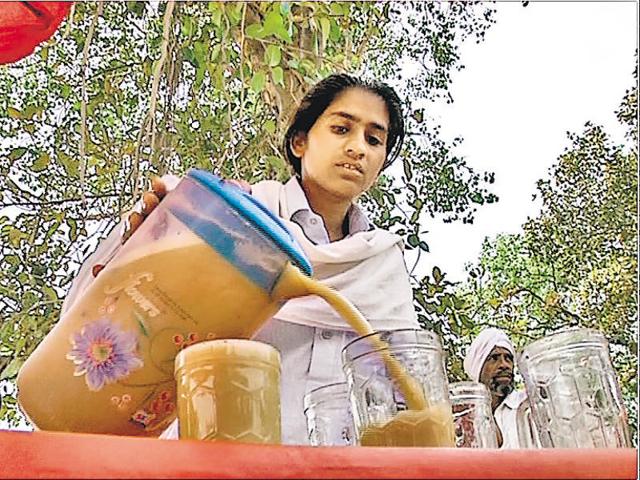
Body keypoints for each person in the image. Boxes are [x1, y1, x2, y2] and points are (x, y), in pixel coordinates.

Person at [62, 73, 419, 444]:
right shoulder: (230, 222)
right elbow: (129, 322)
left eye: (374, 139)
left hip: (344, 470)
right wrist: (145, 241)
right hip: (214, 464)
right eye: (341, 128)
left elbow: (406, 392)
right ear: (300, 142)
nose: (358, 148)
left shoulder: (383, 263)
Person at [463, 327, 529, 448]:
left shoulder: (528, 405)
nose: (504, 365)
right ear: (478, 367)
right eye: (494, 358)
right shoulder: (466, 416)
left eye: (508, 358)